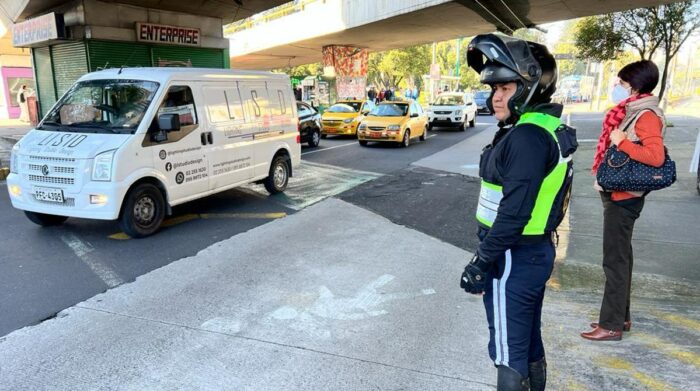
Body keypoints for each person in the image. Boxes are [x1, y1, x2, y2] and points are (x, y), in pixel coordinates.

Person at [460, 33, 574, 390]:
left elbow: (514, 213)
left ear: (529, 87)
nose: (496, 97)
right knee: (527, 340)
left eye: (506, 88)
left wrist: (481, 262)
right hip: (530, 251)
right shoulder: (540, 128)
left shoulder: (526, 137)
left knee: (508, 351)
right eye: (494, 89)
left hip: (513, 254)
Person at [582, 60, 665, 341]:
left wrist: (621, 142)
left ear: (635, 85)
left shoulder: (646, 115)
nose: (616, 87)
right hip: (618, 193)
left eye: (621, 82)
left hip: (624, 197)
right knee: (622, 259)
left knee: (614, 261)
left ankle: (610, 326)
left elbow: (656, 157)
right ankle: (620, 318)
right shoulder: (633, 110)